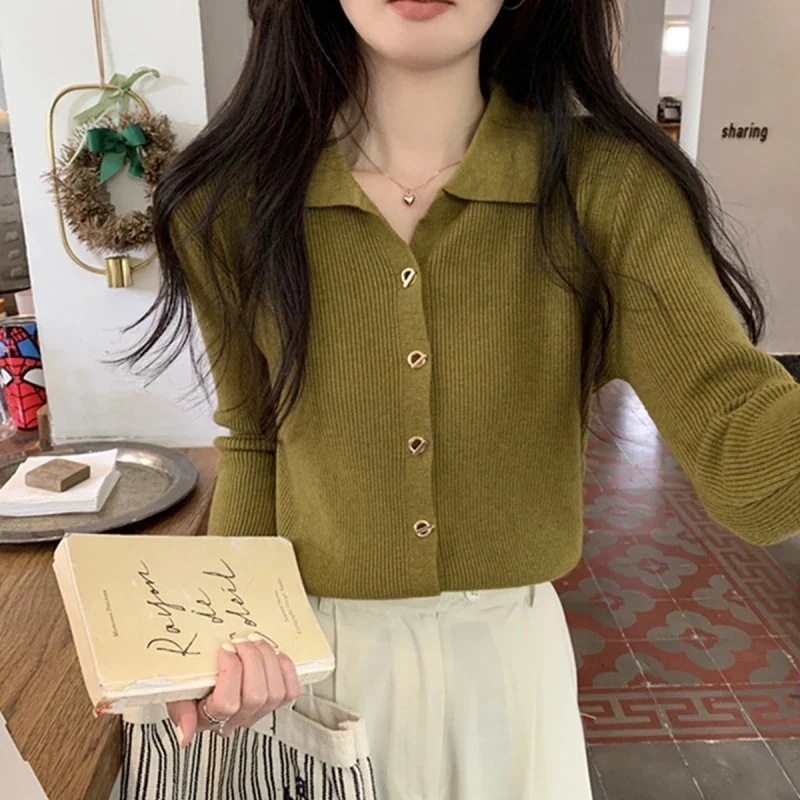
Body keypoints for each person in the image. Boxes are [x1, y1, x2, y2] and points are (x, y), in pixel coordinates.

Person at [121, 0, 800, 797]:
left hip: (510, 678)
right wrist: (234, 633)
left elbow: (749, 467)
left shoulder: (607, 190)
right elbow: (252, 438)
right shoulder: (232, 203)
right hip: (310, 669)